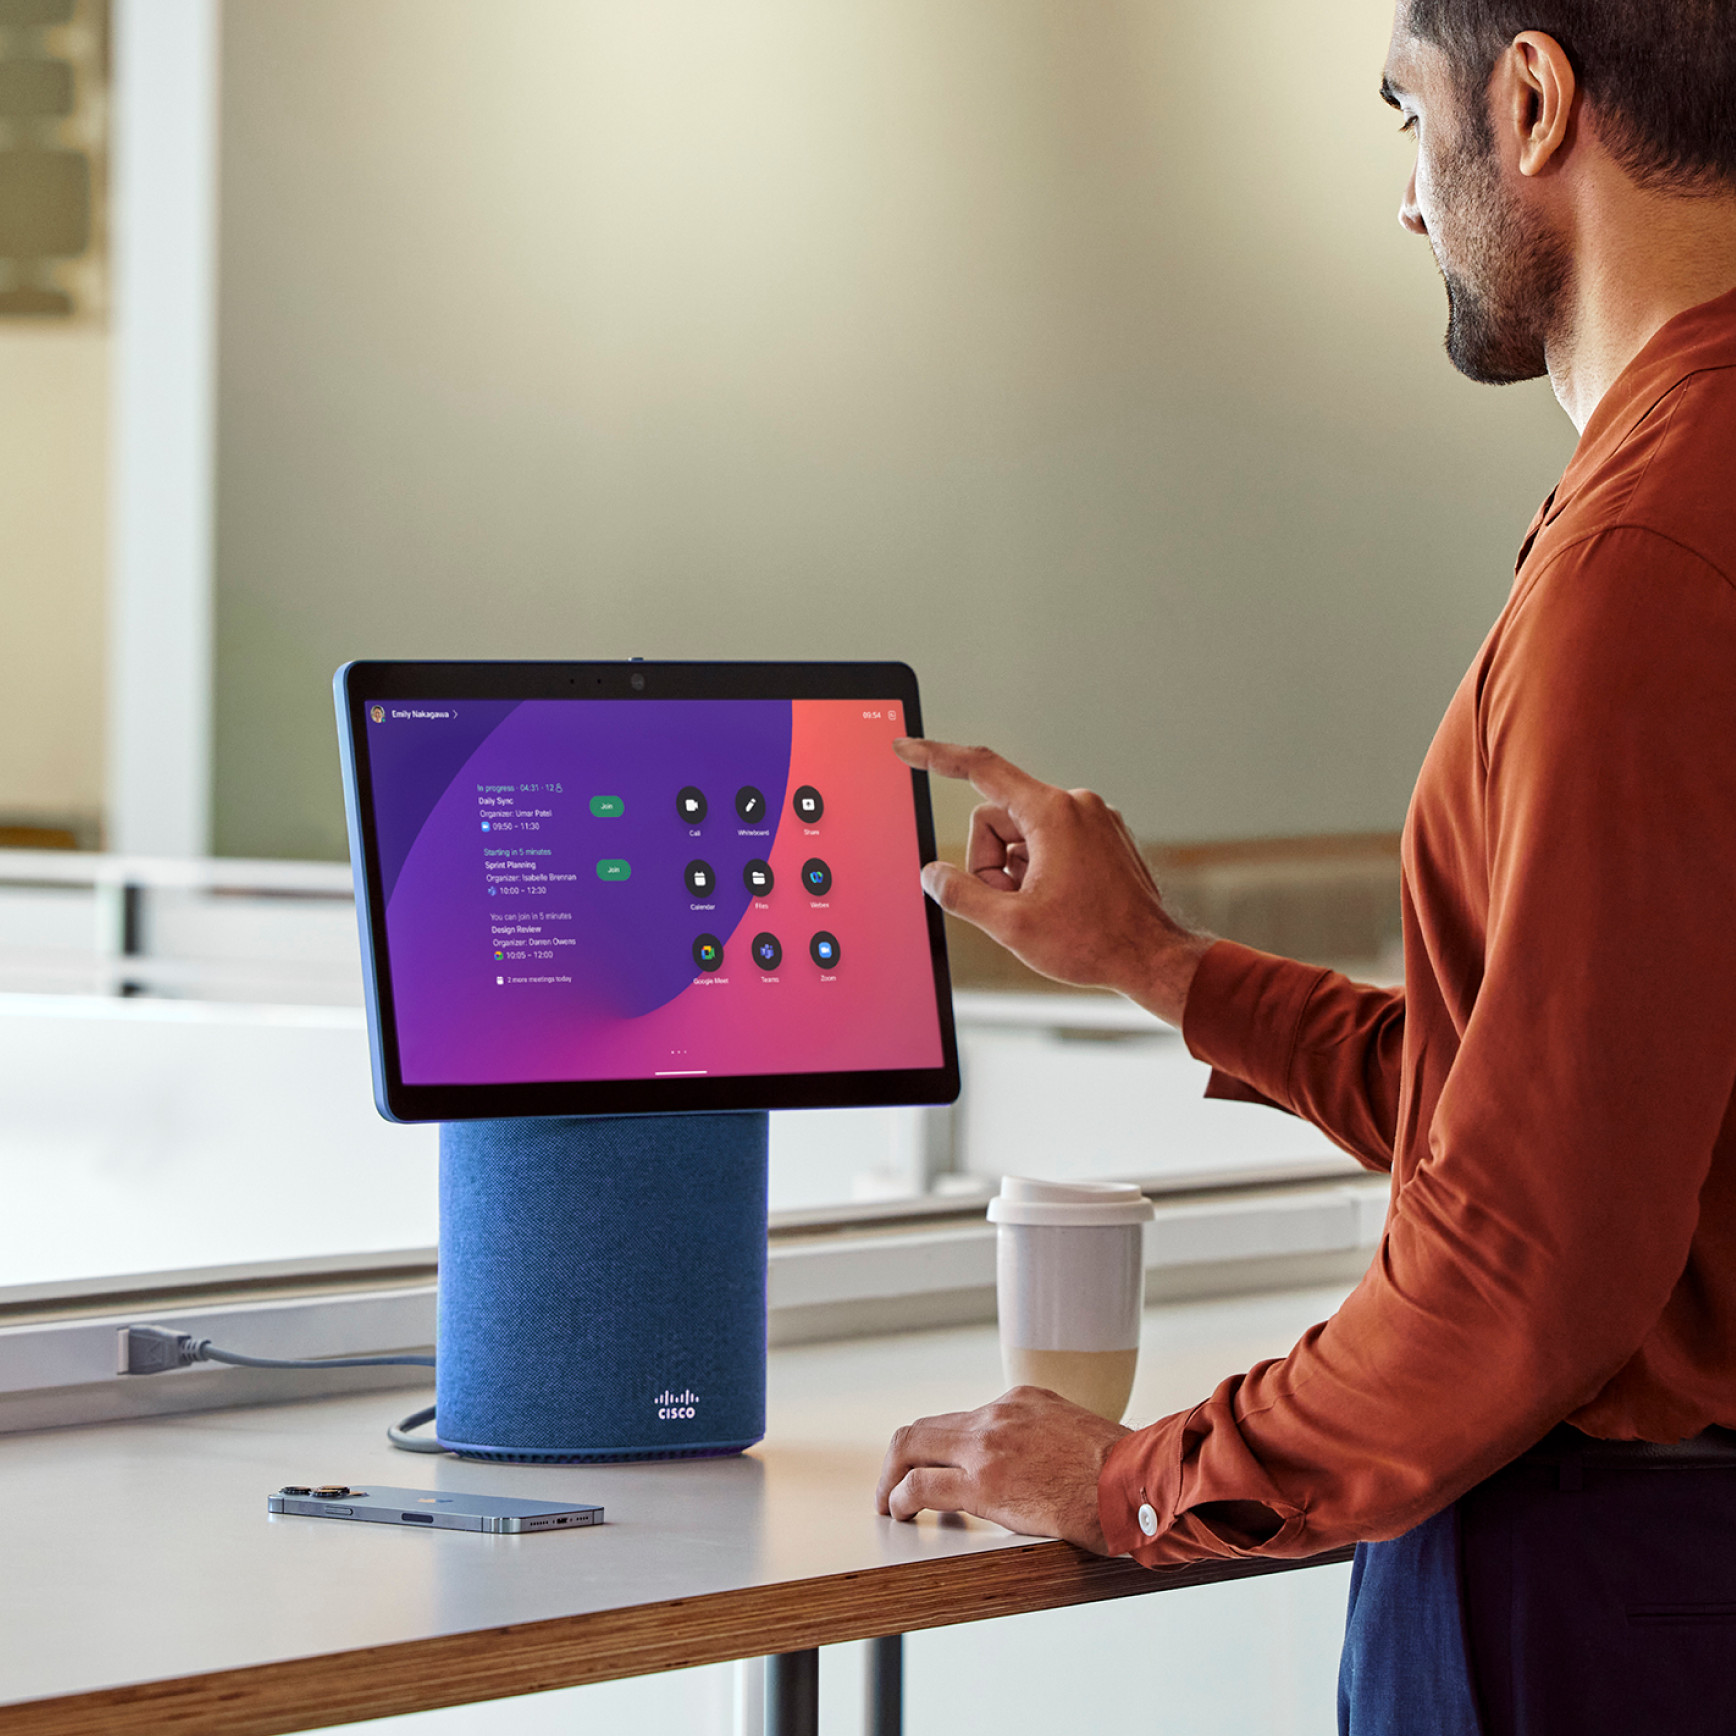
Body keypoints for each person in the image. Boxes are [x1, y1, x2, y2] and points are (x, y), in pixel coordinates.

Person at [874, 4, 1736, 1731]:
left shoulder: (1650, 550)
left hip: (1610, 1591)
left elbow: (1528, 1265)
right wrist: (1161, 962)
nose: (1409, 196)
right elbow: (1571, 1108)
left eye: (1407, 111)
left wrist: (1136, 1480)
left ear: (1536, 97)